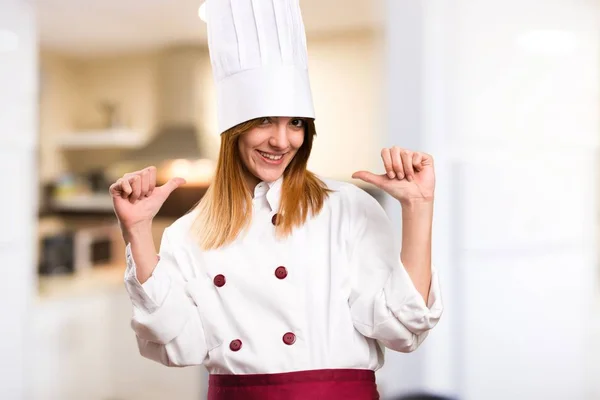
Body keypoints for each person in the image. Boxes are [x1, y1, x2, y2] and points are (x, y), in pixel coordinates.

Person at [110, 0, 443, 398]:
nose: (282, 141)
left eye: (296, 123)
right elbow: (176, 344)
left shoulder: (347, 208)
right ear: (235, 129)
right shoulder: (190, 232)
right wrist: (138, 231)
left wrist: (418, 208)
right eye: (265, 120)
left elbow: (402, 330)